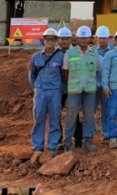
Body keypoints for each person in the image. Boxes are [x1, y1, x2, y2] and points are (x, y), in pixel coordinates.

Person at [29, 28, 65, 161]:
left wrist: (60, 89)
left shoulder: (61, 56)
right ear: (43, 40)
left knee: (55, 119)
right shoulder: (36, 57)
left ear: (56, 41)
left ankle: (52, 146)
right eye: (47, 39)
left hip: (55, 92)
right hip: (41, 92)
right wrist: (36, 87)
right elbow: (32, 74)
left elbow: (64, 74)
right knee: (39, 119)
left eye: (52, 39)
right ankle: (37, 146)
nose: (49, 42)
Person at [62, 25, 98, 152]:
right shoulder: (69, 53)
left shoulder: (94, 53)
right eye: (81, 37)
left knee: (89, 115)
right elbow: (65, 71)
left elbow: (97, 70)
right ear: (77, 38)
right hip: (74, 90)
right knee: (72, 115)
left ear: (90, 38)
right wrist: (71, 83)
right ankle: (67, 142)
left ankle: (87, 140)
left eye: (86, 37)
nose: (83, 40)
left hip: (89, 90)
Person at [56, 26, 82, 149]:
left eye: (67, 38)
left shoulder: (76, 52)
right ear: (58, 40)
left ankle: (78, 138)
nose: (65, 41)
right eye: (62, 38)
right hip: (58, 89)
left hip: (72, 88)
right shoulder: (54, 53)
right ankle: (58, 139)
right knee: (56, 113)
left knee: (74, 113)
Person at [94, 25, 112, 143]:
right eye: (100, 38)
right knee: (91, 110)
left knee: (106, 110)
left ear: (108, 38)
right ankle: (90, 133)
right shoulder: (92, 51)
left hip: (107, 86)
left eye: (104, 38)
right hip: (94, 86)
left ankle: (106, 133)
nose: (102, 40)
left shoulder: (113, 51)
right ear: (96, 38)